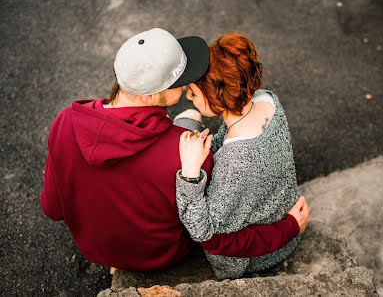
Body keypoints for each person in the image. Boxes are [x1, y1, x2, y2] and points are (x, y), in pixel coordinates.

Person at [40, 28, 308, 272]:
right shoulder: (184, 155)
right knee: (189, 123)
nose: (188, 83)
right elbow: (204, 229)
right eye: (180, 79)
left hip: (94, 249)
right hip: (159, 257)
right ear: (148, 97)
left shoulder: (64, 121)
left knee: (188, 119)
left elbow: (52, 208)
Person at [176, 32, 310, 279]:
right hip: (280, 215)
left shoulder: (237, 162)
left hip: (253, 256)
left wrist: (190, 176)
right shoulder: (266, 99)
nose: (188, 96)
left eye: (193, 93)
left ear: (216, 94)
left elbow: (202, 229)